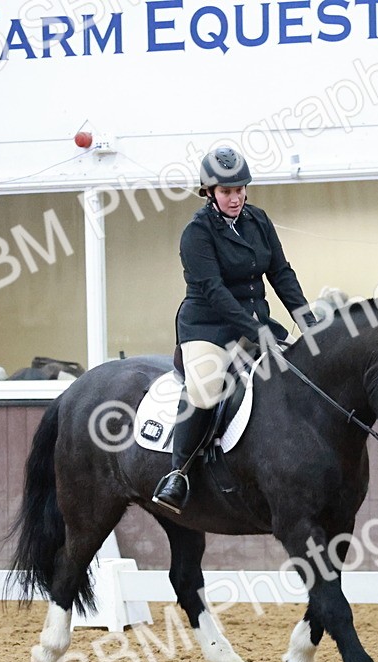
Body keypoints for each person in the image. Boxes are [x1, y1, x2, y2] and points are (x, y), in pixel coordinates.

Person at [151, 146, 317, 514]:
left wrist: (307, 321)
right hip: (208, 326)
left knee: (298, 372)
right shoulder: (196, 233)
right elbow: (214, 291)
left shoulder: (258, 220)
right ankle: (179, 473)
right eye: (226, 191)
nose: (235, 197)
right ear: (209, 192)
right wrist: (257, 331)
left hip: (255, 322)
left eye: (240, 189)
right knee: (207, 388)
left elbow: (281, 273)